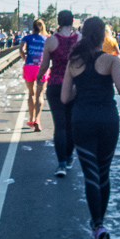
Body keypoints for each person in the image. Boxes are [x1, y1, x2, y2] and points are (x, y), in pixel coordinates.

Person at [61, 16, 120, 239]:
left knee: (90, 174)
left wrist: (82, 87)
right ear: (102, 37)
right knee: (103, 172)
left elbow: (65, 98)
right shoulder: (111, 60)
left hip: (82, 120)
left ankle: (97, 226)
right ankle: (101, 225)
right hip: (108, 121)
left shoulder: (74, 62)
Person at [37, 10, 79, 176]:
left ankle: (61, 164)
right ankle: (68, 157)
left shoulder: (51, 40)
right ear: (73, 21)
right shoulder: (80, 39)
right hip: (75, 86)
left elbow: (45, 64)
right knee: (71, 124)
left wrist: (38, 78)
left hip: (55, 85)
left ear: (58, 21)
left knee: (60, 125)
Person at [20, 19, 49, 130]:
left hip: (29, 67)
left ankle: (31, 119)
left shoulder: (26, 38)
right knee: (39, 95)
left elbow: (21, 50)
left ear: (32, 27)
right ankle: (37, 119)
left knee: (31, 93)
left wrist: (25, 58)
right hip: (41, 67)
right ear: (42, 27)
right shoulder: (46, 39)